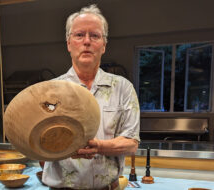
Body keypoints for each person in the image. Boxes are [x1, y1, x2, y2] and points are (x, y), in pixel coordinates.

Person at [42, 4, 140, 190]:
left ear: (103, 45)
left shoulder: (122, 88)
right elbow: (40, 145)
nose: (87, 41)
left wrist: (99, 146)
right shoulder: (50, 91)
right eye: (79, 35)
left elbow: (131, 143)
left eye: (95, 36)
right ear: (69, 43)